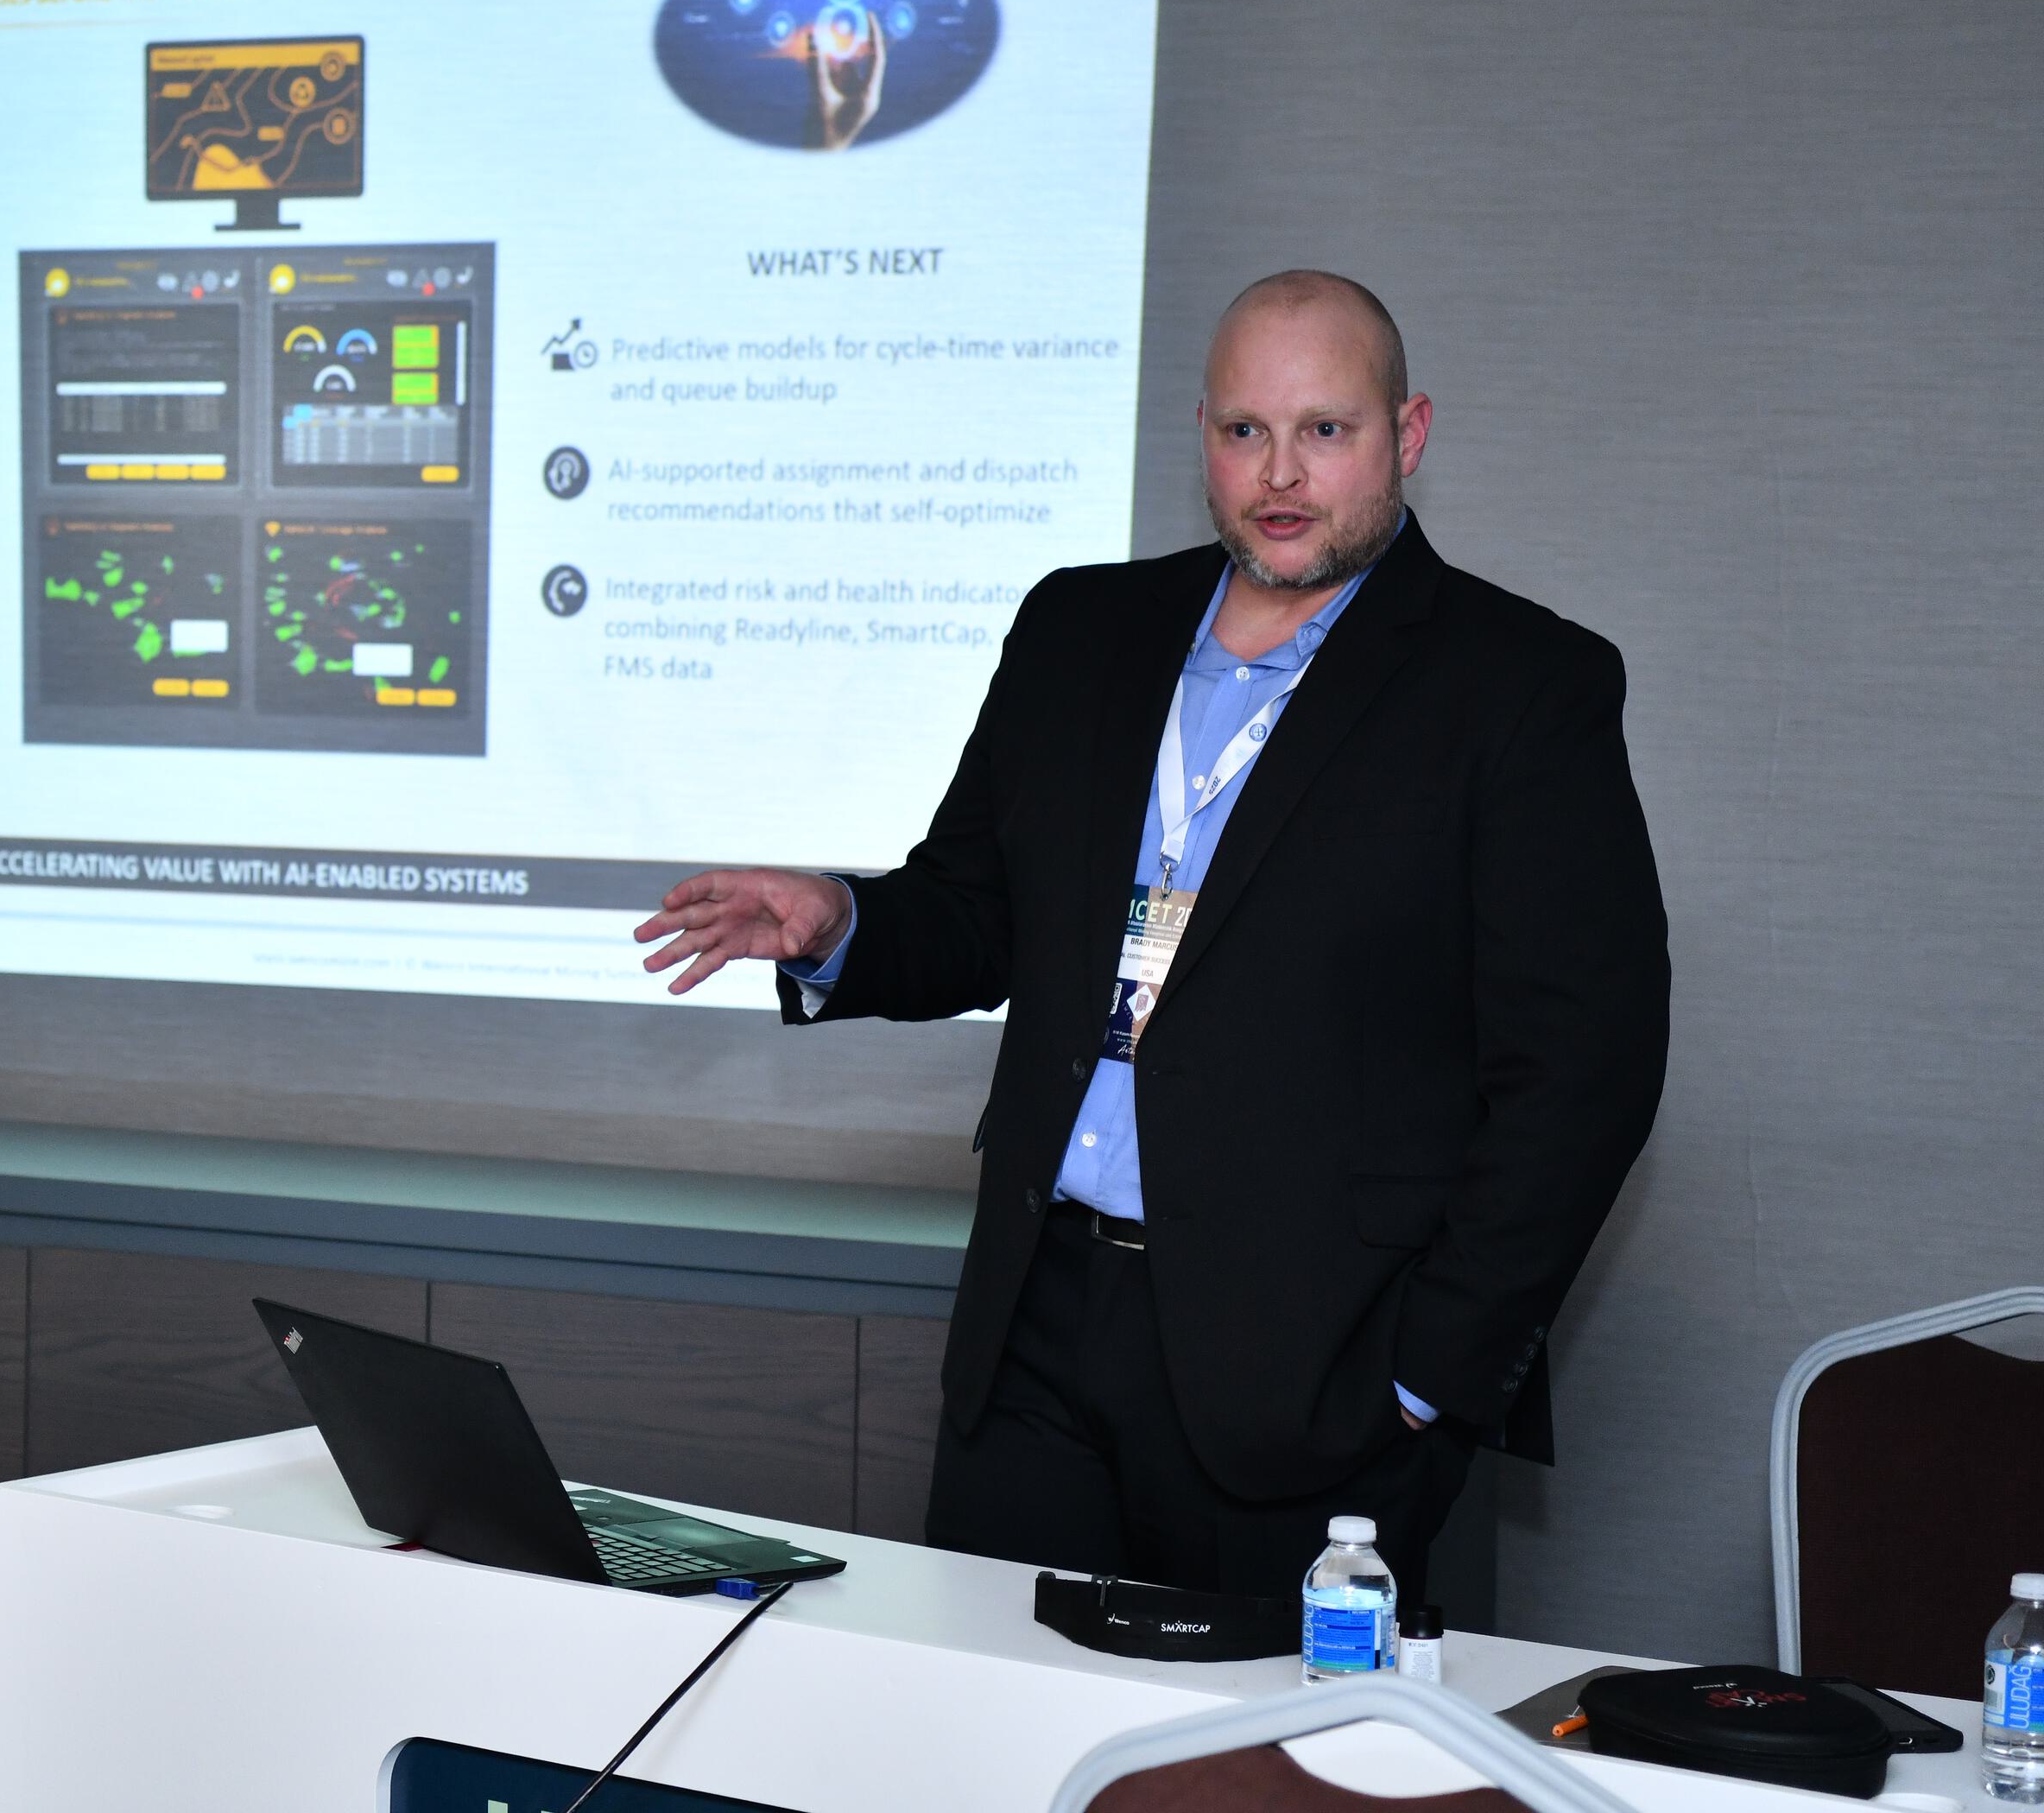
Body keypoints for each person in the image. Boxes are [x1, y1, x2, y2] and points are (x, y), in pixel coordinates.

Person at [632, 271, 1667, 1602]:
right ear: (1202, 438)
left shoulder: (1519, 685)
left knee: (1256, 1735)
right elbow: (978, 915)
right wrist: (841, 920)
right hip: (1036, 1331)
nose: (1280, 474)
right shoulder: (1082, 629)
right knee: (985, 1706)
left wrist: (1427, 1380)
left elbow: (1585, 1071)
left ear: (1407, 435)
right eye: (1245, 432)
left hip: (1315, 1370)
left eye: (1325, 430)